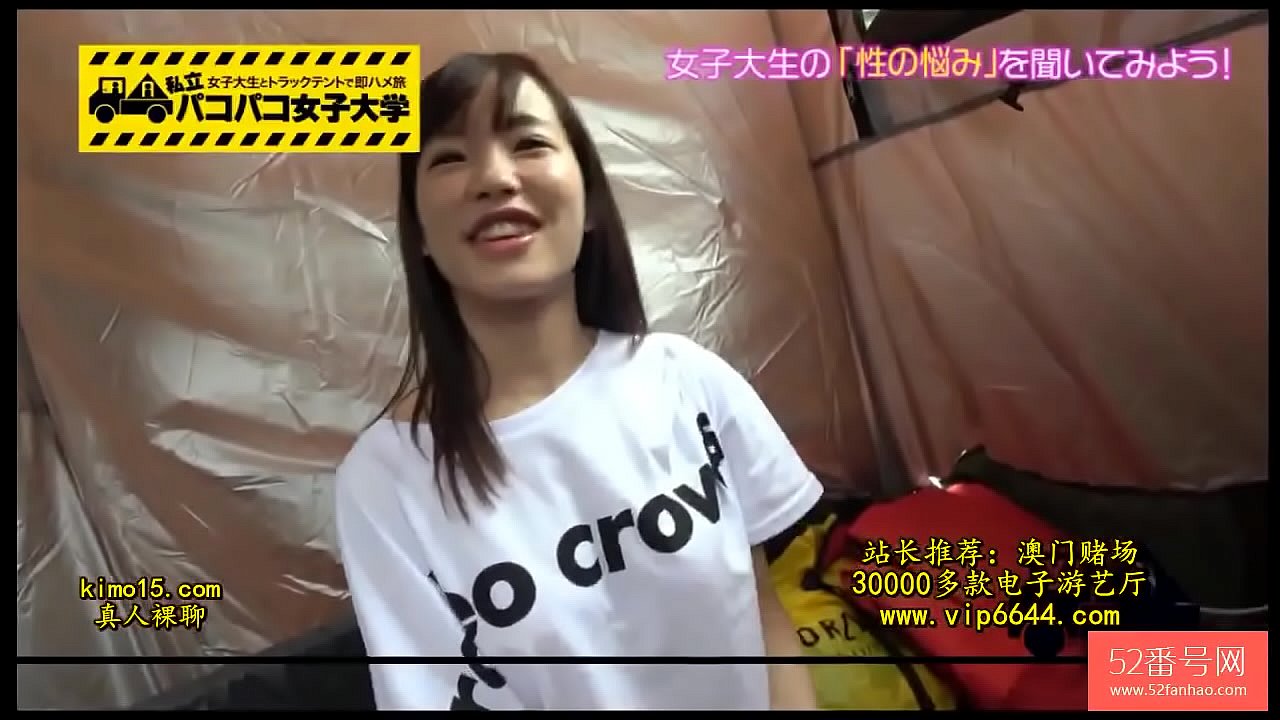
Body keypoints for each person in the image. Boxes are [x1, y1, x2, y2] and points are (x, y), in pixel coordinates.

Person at [333, 51, 823, 711]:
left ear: (590, 201)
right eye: (448, 157)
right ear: (418, 232)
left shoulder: (688, 381)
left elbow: (763, 615)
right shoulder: (385, 481)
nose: (495, 178)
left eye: (529, 144)